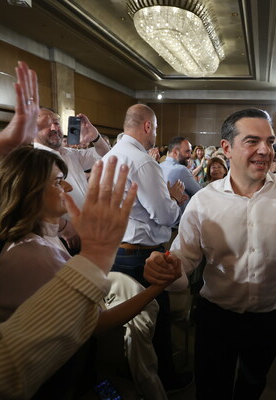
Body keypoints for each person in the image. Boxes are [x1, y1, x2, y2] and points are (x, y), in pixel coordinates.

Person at [0, 61, 170, 399]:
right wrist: (100, 256)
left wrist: (6, 140)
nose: (65, 190)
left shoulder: (45, 233)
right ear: (32, 193)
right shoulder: (28, 254)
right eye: (57, 183)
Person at [144, 108, 276, 399]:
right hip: (216, 317)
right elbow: (185, 257)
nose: (265, 150)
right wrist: (168, 268)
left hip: (270, 315)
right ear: (227, 148)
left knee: (253, 383)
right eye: (252, 141)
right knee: (211, 388)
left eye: (270, 142)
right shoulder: (204, 201)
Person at [102, 104, 190, 391]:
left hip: (115, 250)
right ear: (148, 127)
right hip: (140, 254)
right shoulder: (142, 161)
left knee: (128, 322)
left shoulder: (110, 156)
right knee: (156, 320)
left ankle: (131, 375)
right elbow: (163, 215)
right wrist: (175, 198)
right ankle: (165, 381)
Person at [34, 107, 111, 252]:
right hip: (65, 239)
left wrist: (95, 137)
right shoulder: (33, 158)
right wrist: (64, 227)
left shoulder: (68, 153)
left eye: (56, 123)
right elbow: (33, 203)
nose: (54, 128)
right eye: (46, 124)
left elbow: (105, 155)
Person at [160, 136, 202, 212]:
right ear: (176, 152)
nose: (190, 155)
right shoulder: (181, 170)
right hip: (179, 220)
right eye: (187, 151)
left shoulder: (159, 166)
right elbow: (200, 194)